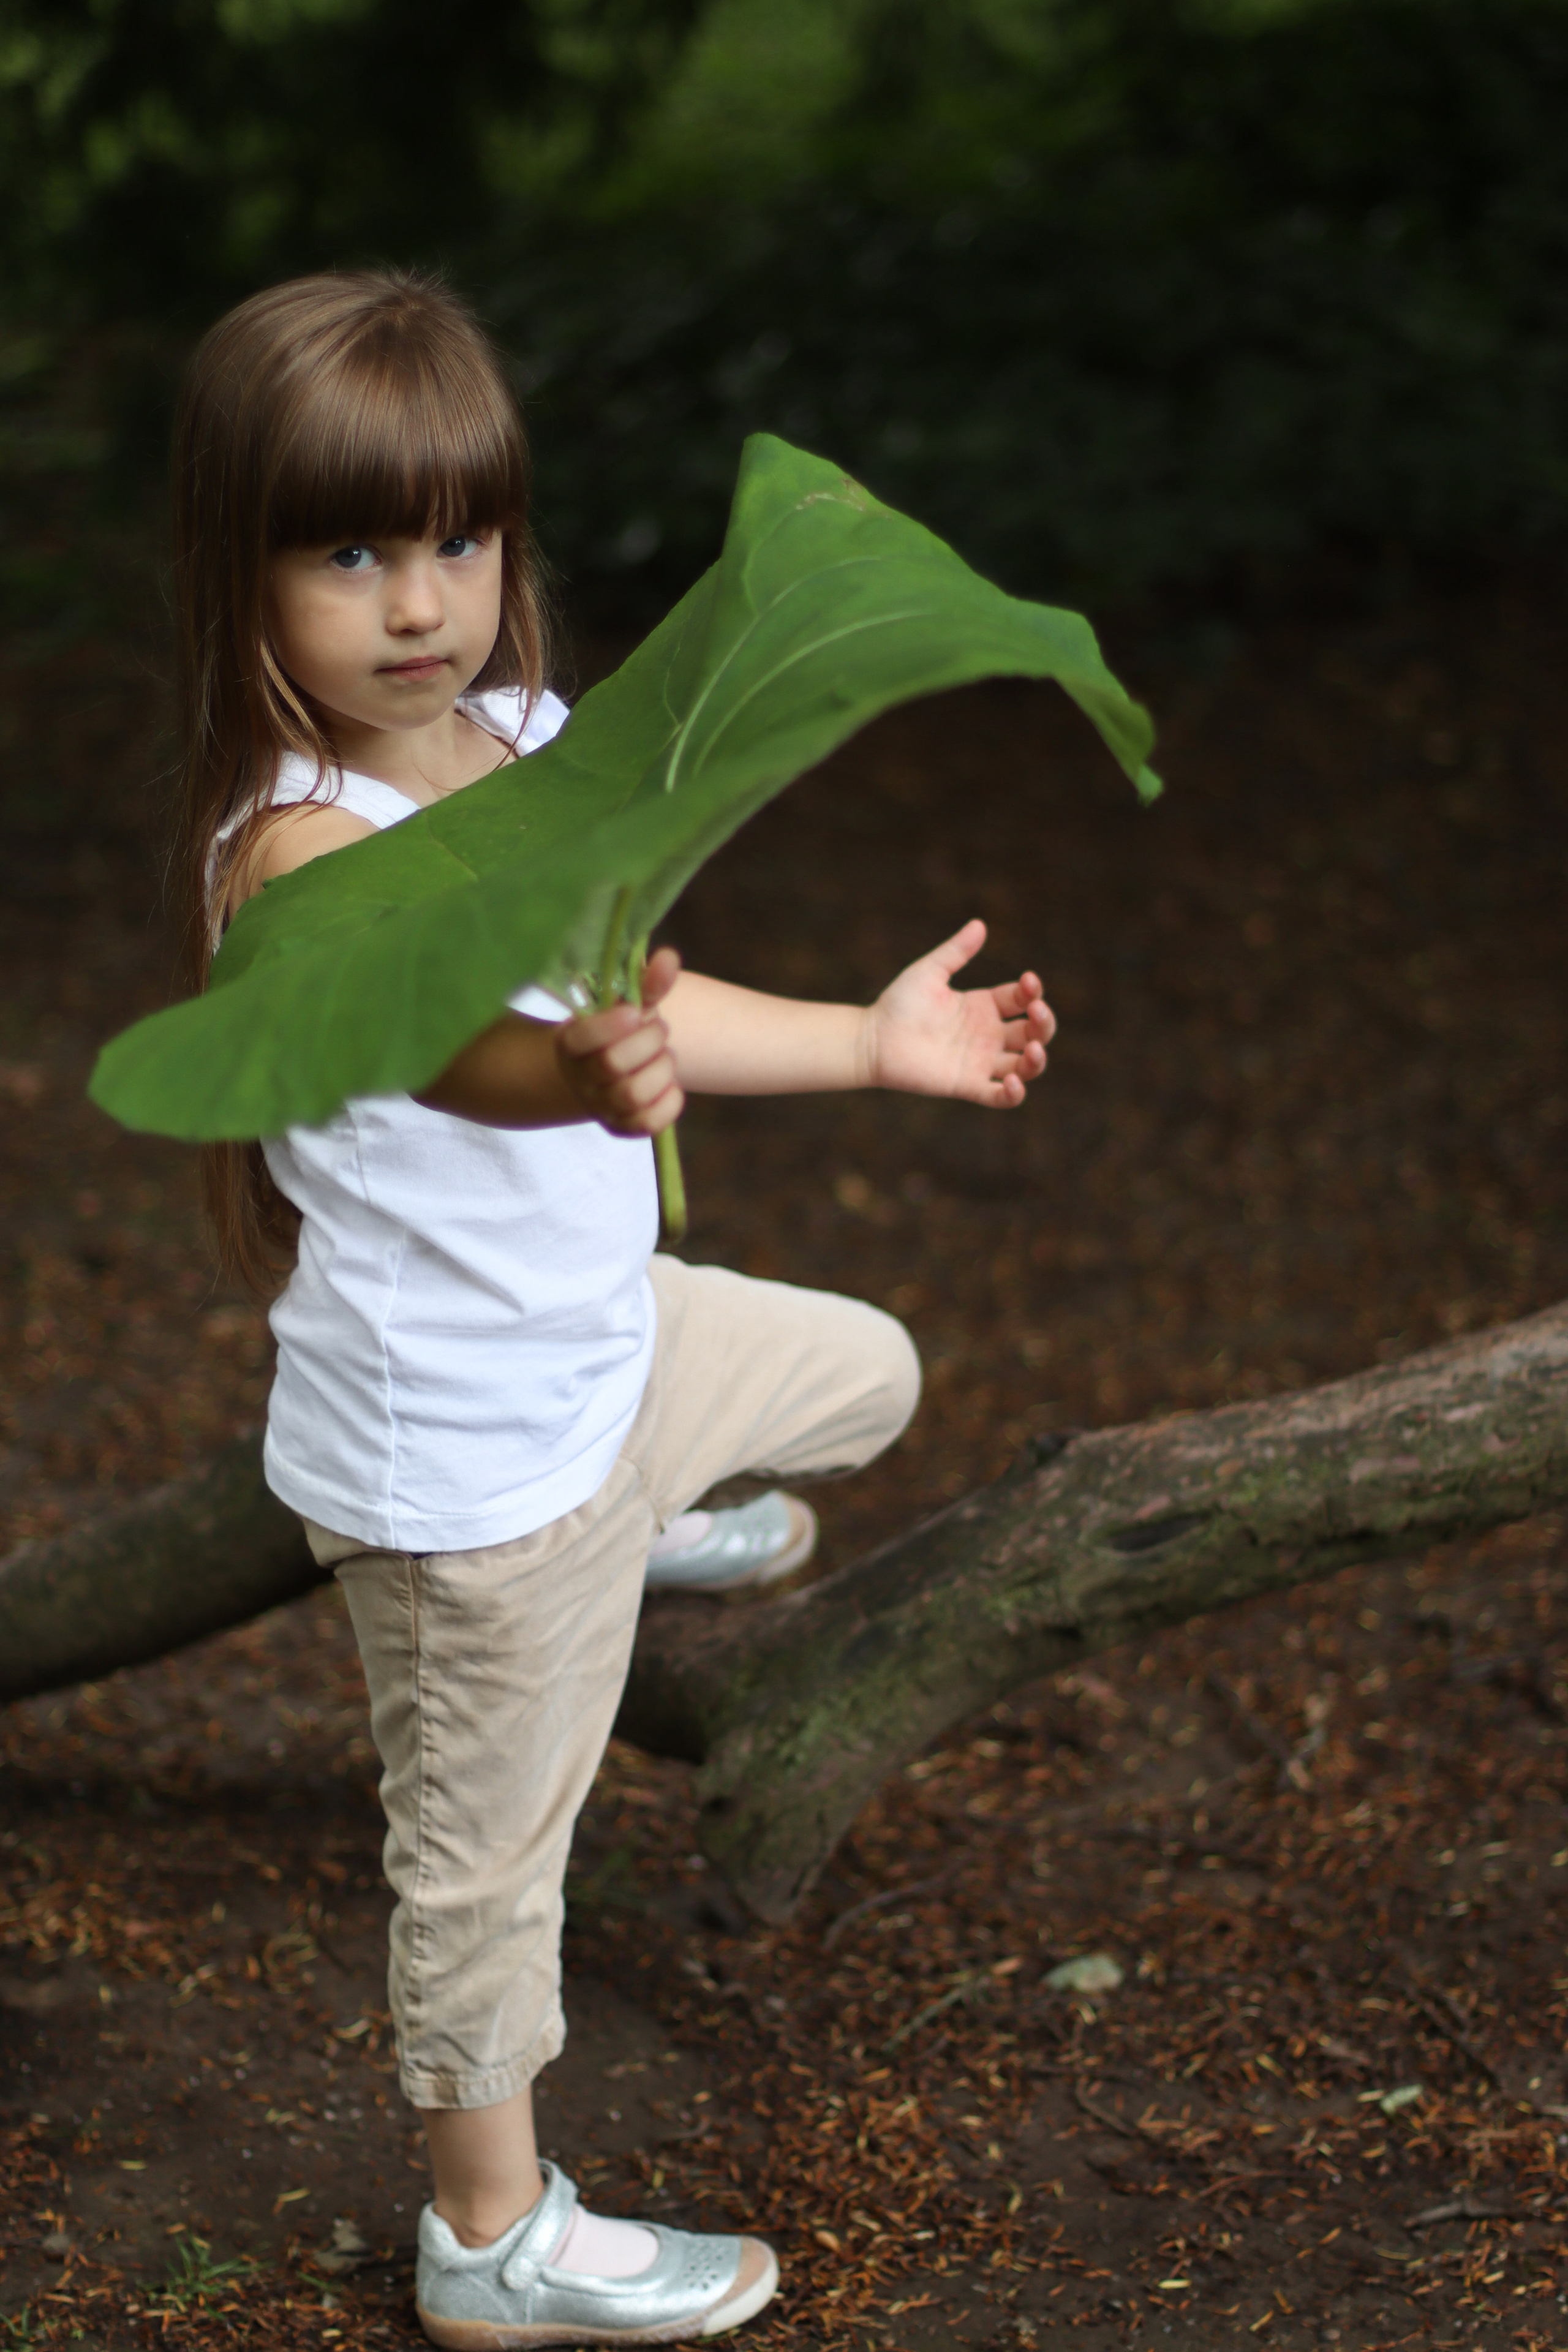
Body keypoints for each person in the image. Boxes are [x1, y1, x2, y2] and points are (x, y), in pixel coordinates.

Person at [172, 269, 1057, 2349]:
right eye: (351, 553)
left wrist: (866, 1042)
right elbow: (455, 1042)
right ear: (243, 576)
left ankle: (643, 1517)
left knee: (868, 1378)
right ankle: (488, 2242)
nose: (421, 604)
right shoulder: (294, 857)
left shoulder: (529, 743)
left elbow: (639, 994)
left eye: (458, 540)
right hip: (471, 1473)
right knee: (488, 1872)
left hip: (605, 1350)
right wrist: (563, 1073)